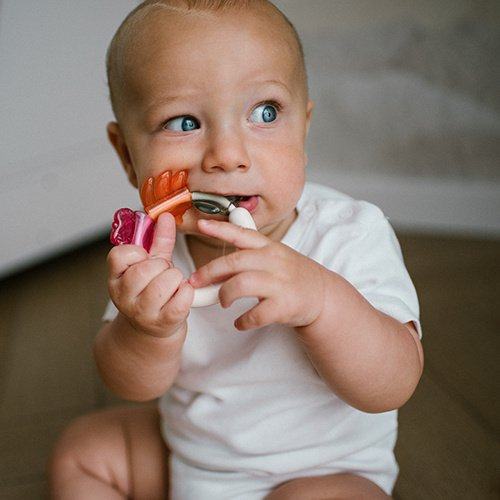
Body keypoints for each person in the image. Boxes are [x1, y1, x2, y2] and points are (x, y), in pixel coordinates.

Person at [48, 0, 424, 498]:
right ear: (128, 156)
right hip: (194, 459)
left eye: (265, 113)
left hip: (322, 472)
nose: (227, 156)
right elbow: (132, 385)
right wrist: (144, 330)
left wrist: (322, 301)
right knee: (83, 450)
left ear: (304, 129)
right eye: (184, 122)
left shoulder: (348, 233)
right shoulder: (155, 251)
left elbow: (393, 385)